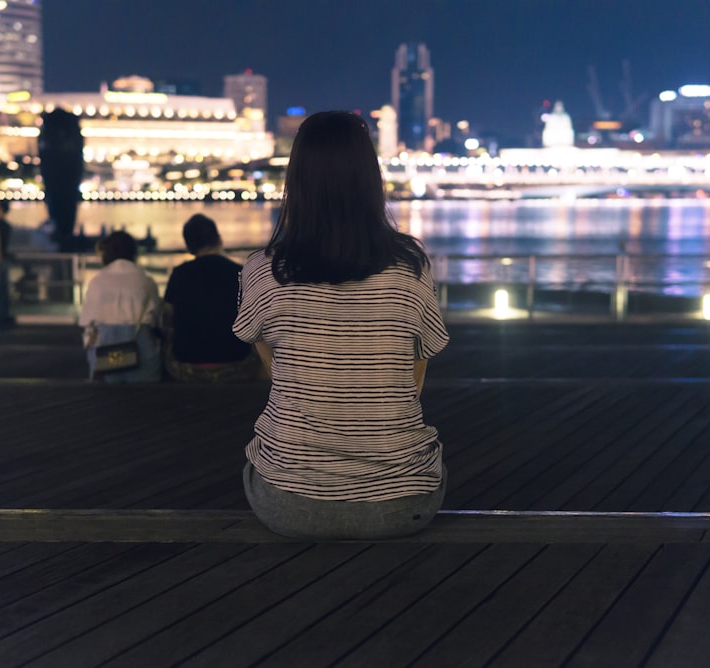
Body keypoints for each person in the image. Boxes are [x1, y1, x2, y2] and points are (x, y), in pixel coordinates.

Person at [232, 110, 450, 540]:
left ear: (296, 183)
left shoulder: (262, 270)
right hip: (403, 500)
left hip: (289, 502)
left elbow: (265, 354)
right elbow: (416, 369)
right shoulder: (410, 266)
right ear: (371, 180)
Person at [162, 214, 259, 382]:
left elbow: (167, 318)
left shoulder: (179, 274)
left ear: (189, 247)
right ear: (219, 239)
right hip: (236, 362)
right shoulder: (240, 272)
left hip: (187, 365)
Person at [79, 231, 162, 383]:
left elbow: (87, 321)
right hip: (141, 349)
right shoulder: (146, 281)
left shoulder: (97, 282)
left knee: (107, 393)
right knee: (146, 397)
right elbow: (156, 318)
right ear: (133, 252)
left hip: (107, 352)